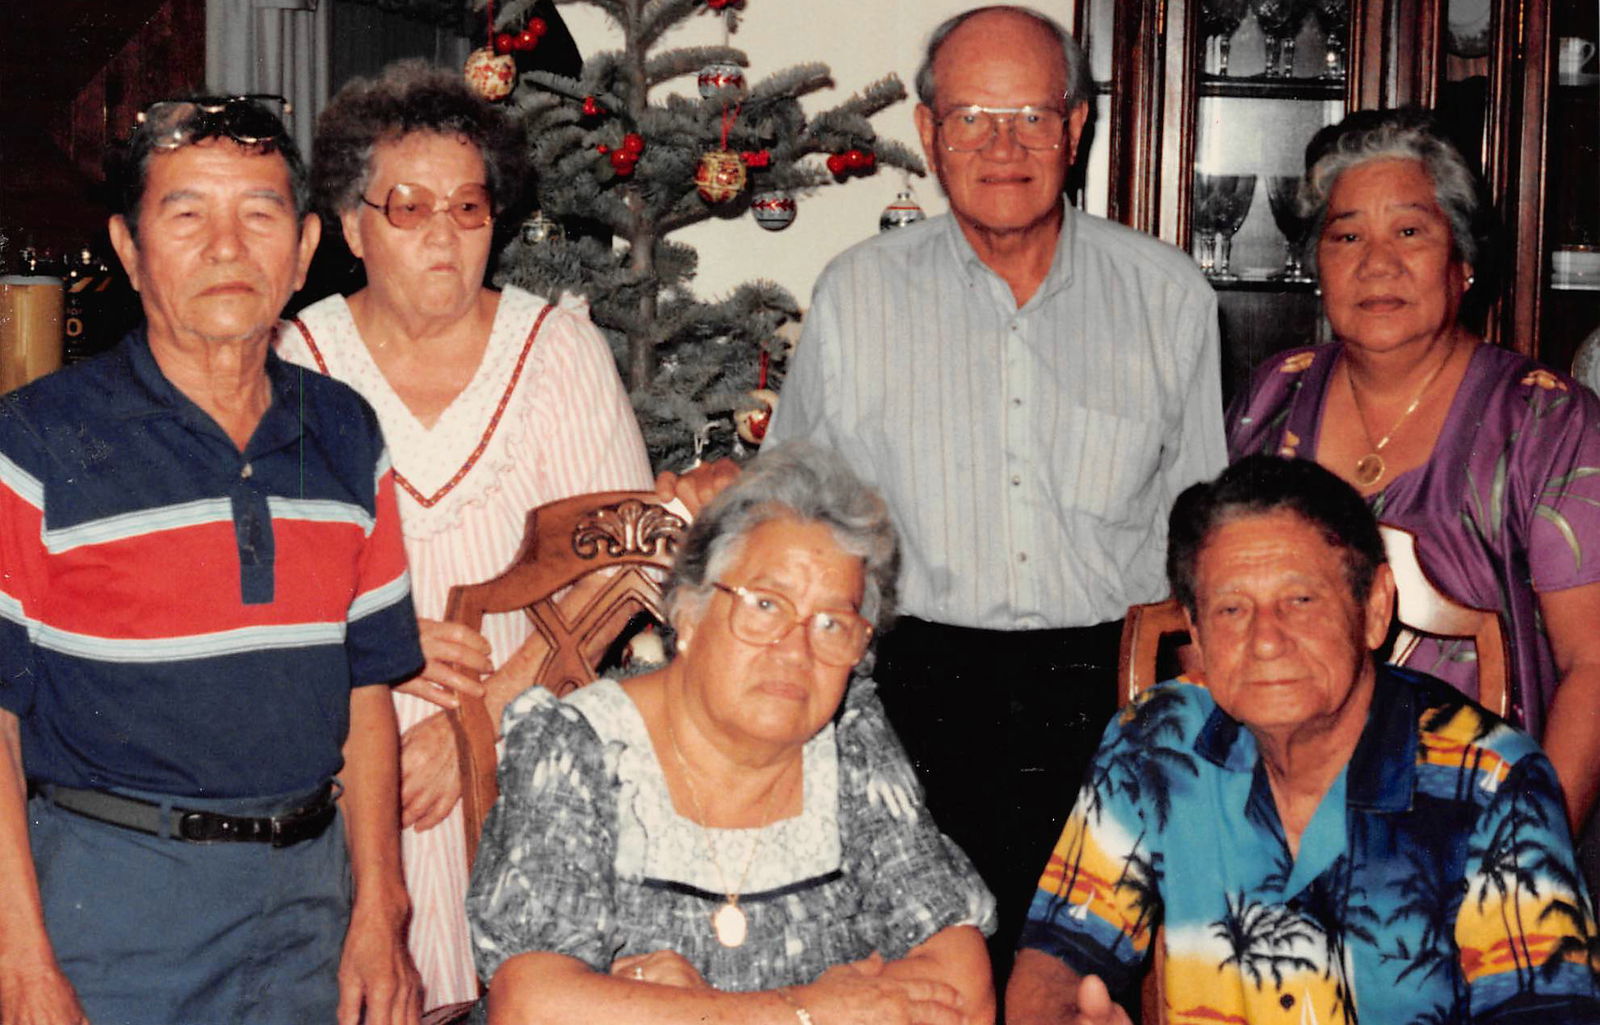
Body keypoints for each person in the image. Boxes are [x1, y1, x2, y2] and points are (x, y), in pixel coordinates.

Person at [762, 4, 1227, 971]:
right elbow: (791, 510)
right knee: (934, 983)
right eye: (972, 115)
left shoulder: (1169, 294)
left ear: (1077, 125)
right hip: (914, 696)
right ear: (928, 132)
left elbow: (1203, 536)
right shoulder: (858, 294)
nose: (1002, 144)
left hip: (1112, 697)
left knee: (1092, 985)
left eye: (1030, 116)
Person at [0, 95, 423, 1023]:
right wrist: (21, 958)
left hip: (311, 907)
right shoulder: (37, 441)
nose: (227, 247)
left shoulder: (345, 431)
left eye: (260, 214)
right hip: (114, 909)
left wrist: (380, 912)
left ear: (305, 247)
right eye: (186, 214)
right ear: (128, 246)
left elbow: (366, 693)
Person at [275, 60, 654, 1009]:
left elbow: (625, 563)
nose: (444, 235)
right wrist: (382, 657)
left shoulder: (557, 350)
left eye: (470, 207)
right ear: (355, 226)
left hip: (527, 736)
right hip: (343, 754)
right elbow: (265, 584)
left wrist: (473, 721)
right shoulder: (296, 362)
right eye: (409, 209)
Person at [1008, 455, 1600, 1025]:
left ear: (1374, 608)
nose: (1265, 640)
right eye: (1232, 608)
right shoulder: (1156, 744)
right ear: (1197, 632)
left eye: (1301, 600)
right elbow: (1058, 954)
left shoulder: (1489, 780)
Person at [466, 444, 996, 1025]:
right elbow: (530, 1007)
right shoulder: (581, 747)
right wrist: (808, 1010)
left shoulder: (851, 741)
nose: (795, 651)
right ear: (688, 611)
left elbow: (961, 985)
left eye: (831, 623)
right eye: (766, 605)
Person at [1227, 108, 1600, 837]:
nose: (1377, 262)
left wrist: (1529, 856)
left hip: (1480, 822)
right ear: (1317, 265)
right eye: (1346, 235)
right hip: (1284, 817)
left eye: (1409, 230)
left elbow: (1593, 663)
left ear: (1461, 258)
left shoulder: (1547, 423)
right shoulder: (1271, 398)